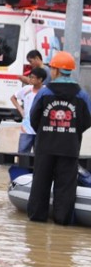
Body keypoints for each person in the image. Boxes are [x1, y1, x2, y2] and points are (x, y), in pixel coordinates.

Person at [27, 52, 91, 225]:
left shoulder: (44, 93)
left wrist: (45, 132)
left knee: (40, 185)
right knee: (65, 188)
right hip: (69, 148)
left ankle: (37, 222)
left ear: (55, 70)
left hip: (45, 148)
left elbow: (33, 118)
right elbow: (87, 120)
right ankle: (62, 223)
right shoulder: (81, 94)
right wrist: (70, 132)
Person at [11, 65, 46, 154]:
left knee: (40, 155)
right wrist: (21, 110)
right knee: (22, 153)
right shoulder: (27, 89)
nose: (30, 79)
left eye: (33, 77)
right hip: (26, 128)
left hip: (41, 129)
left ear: (40, 79)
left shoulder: (46, 92)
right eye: (29, 77)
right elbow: (13, 98)